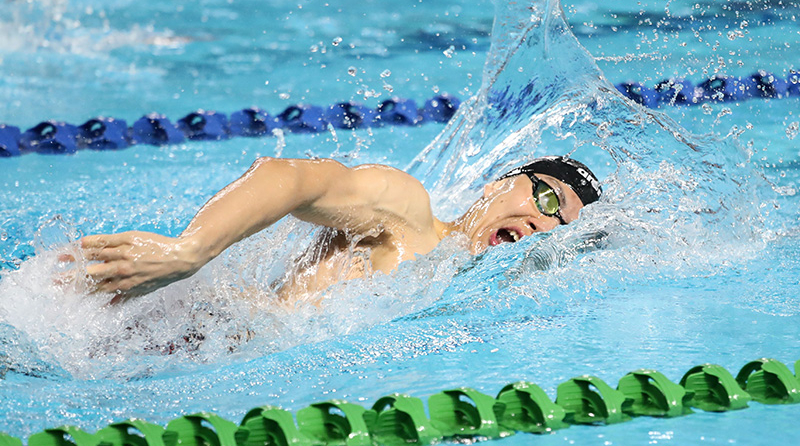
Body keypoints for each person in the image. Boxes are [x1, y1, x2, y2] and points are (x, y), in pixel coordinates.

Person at [69, 155, 601, 302]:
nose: (542, 223)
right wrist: (191, 250)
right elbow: (288, 177)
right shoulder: (408, 216)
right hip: (185, 329)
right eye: (547, 198)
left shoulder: (471, 298)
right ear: (497, 185)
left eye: (559, 226)